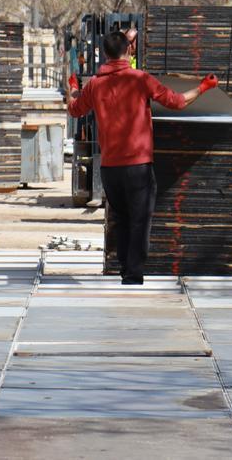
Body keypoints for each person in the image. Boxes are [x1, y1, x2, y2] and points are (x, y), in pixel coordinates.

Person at [67, 30, 215, 284]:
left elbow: (74, 108)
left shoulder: (94, 84)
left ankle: (125, 270)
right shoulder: (141, 80)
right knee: (139, 221)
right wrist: (203, 87)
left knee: (121, 220)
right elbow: (177, 102)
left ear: (104, 53)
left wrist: (71, 87)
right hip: (138, 167)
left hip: (110, 169)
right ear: (129, 50)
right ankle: (133, 275)